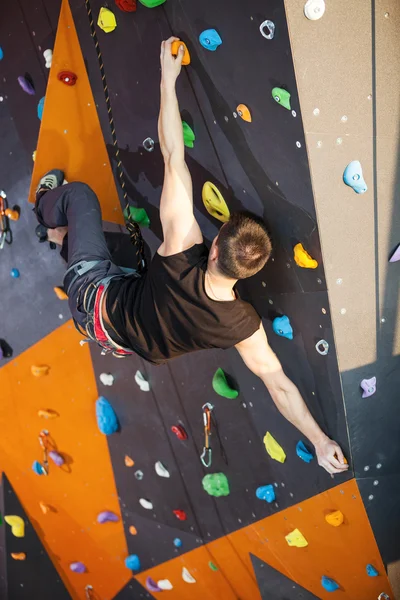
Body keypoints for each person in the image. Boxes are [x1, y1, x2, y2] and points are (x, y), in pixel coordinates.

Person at [34, 38, 348, 476]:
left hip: (94, 295)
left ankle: (45, 208)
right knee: (117, 250)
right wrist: (319, 441)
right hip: (118, 338)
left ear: (215, 245)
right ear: (248, 272)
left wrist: (167, 75)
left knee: (80, 198)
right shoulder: (242, 325)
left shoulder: (183, 244)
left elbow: (172, 153)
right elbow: (278, 384)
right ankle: (62, 238)